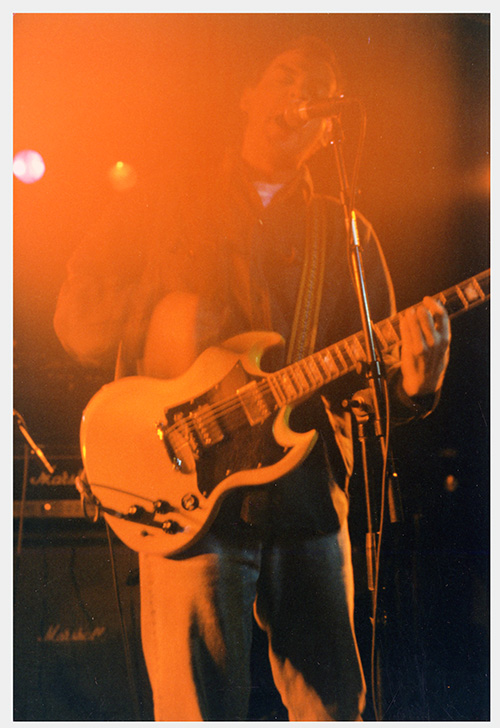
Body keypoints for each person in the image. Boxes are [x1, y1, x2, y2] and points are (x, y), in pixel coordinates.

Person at [54, 35, 451, 721]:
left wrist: (417, 383)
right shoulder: (161, 205)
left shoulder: (344, 231)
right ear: (249, 97)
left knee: (333, 708)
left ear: (330, 124)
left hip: (305, 503)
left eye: (317, 88)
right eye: (285, 77)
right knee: (197, 713)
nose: (300, 93)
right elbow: (77, 319)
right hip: (185, 497)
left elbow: (366, 391)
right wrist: (158, 302)